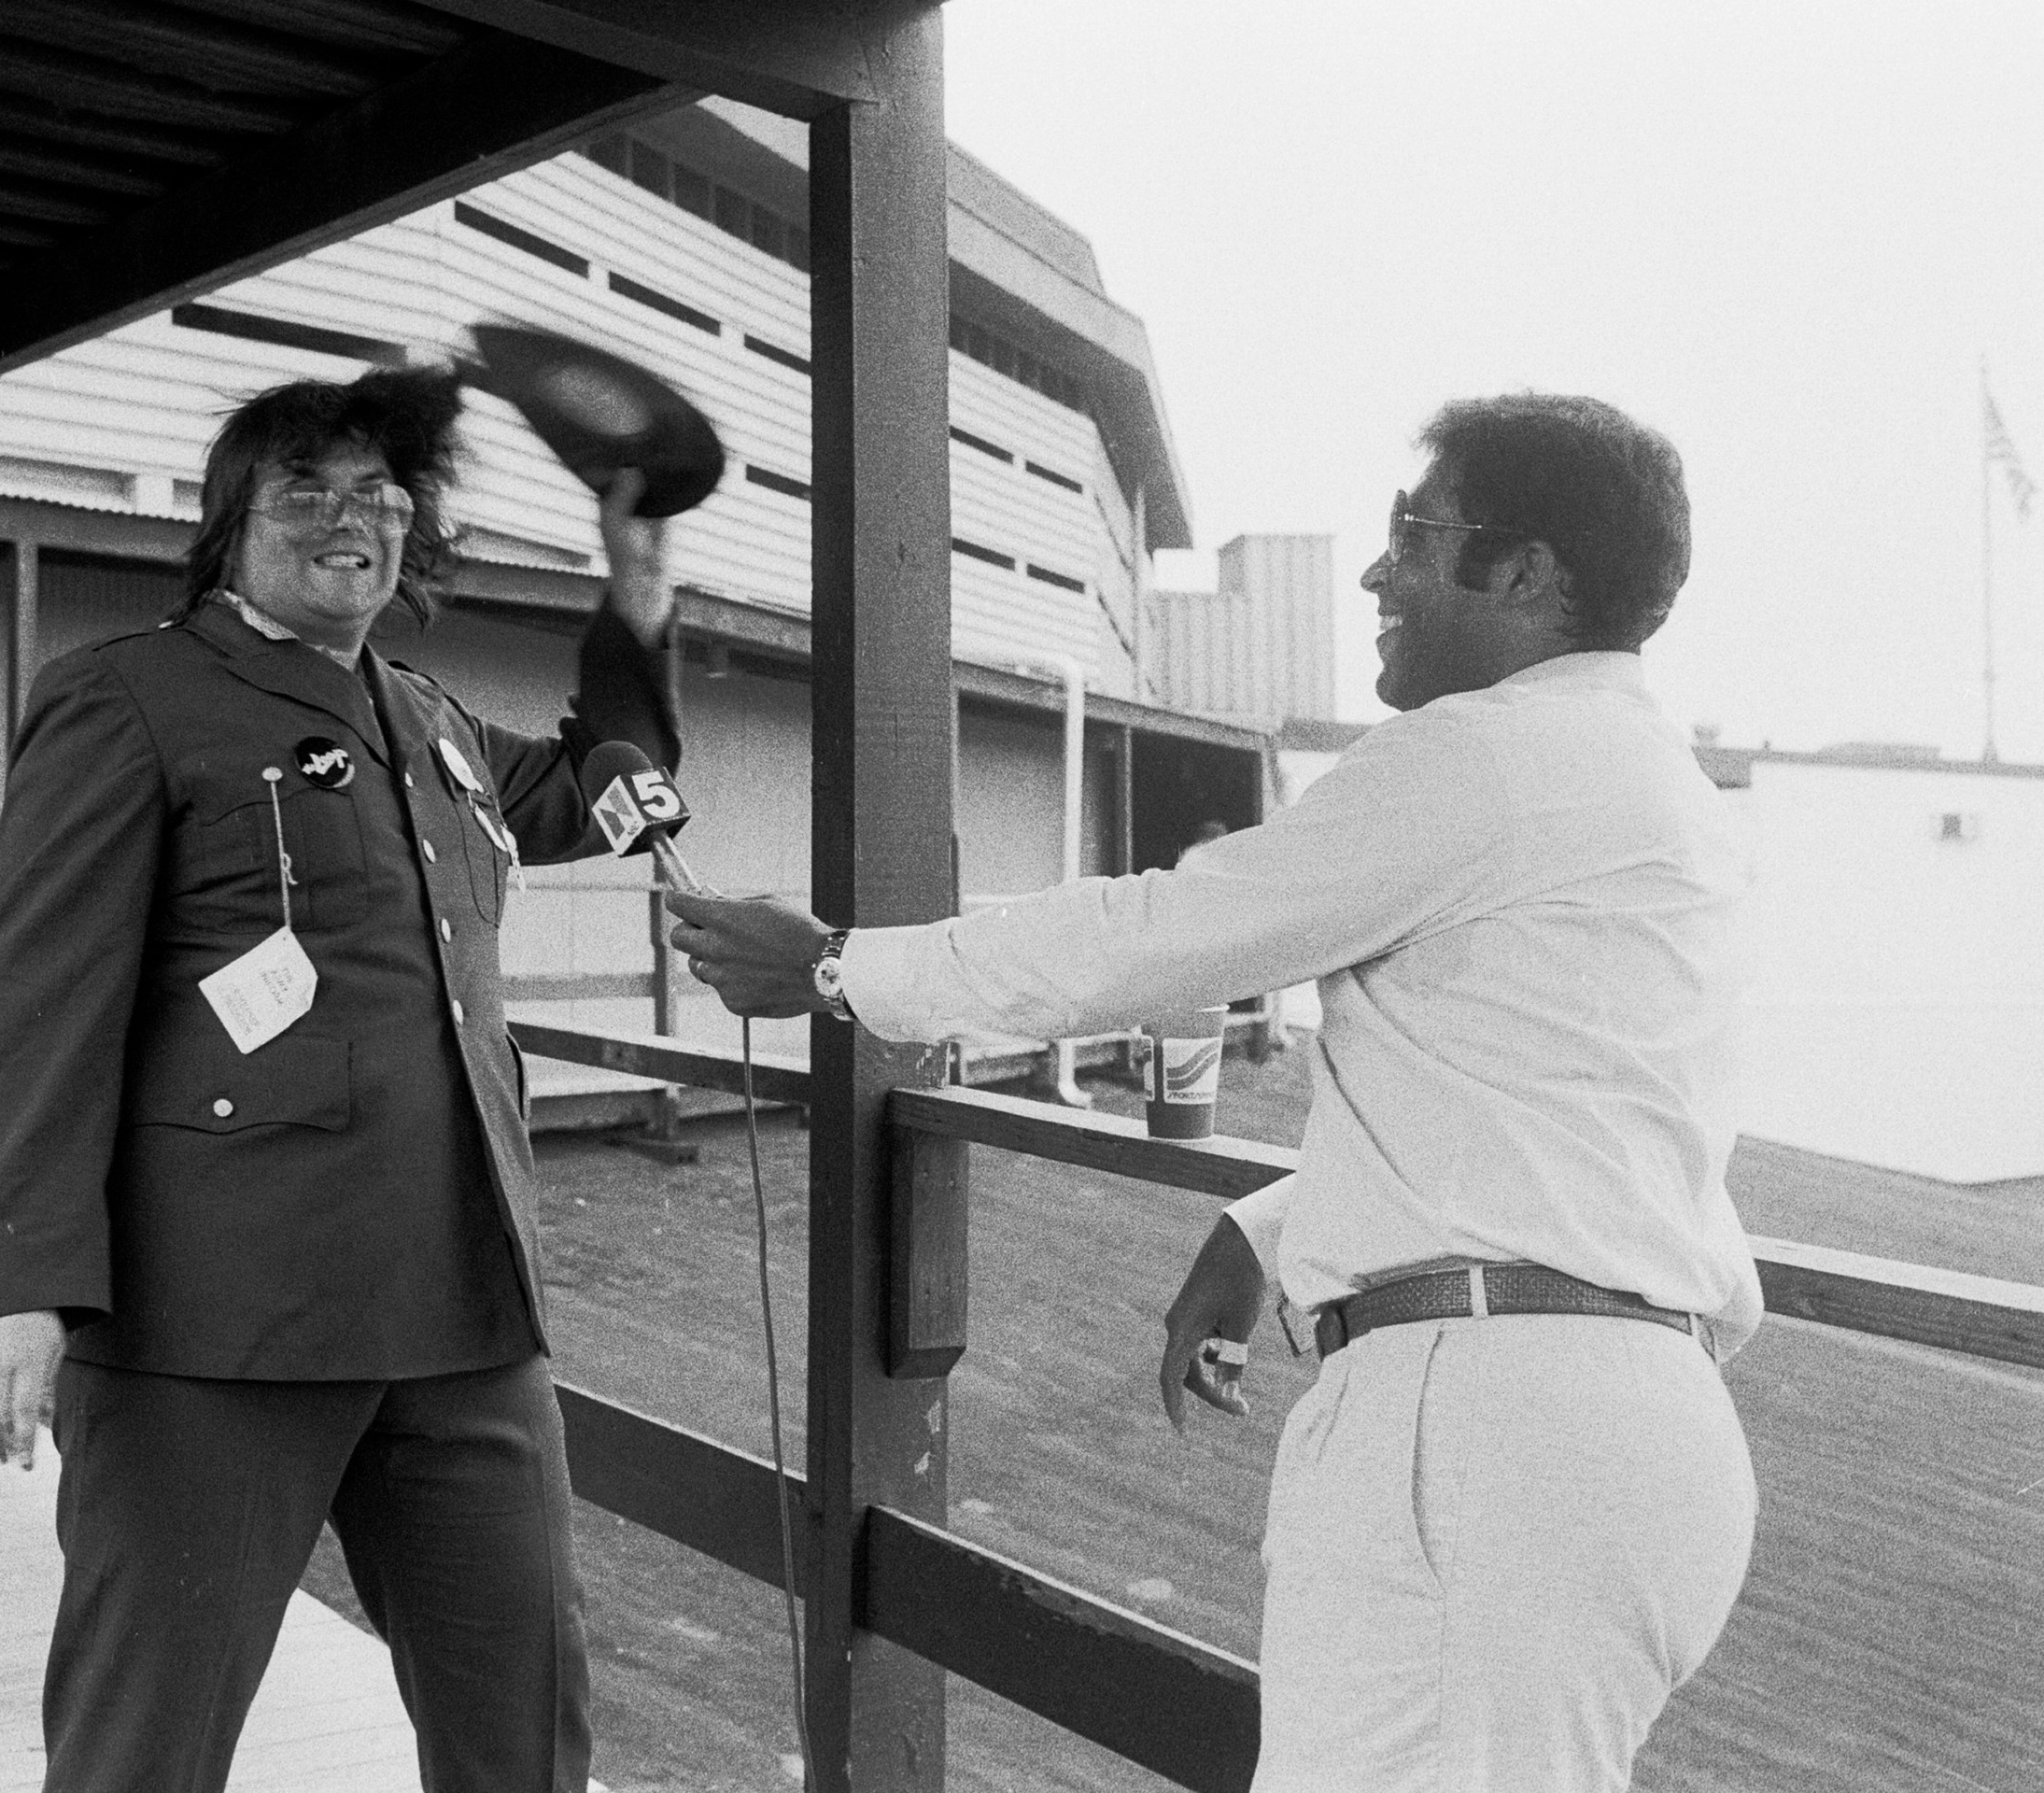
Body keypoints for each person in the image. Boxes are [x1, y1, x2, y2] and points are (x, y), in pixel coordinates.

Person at [666, 394, 1760, 1793]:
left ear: (1529, 572)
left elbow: (1160, 936)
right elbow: (1559, 1115)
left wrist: (833, 968)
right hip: (1629, 1437)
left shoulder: (1483, 755)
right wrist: (1268, 1232)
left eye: (1414, 538)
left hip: (1491, 1440)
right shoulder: (1656, 791)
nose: (1376, 576)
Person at [0, 365, 678, 1793]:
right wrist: (19, 1282)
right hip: (213, 1326)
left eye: (384, 498)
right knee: (142, 1742)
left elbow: (611, 786)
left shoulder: (431, 723)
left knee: (526, 1727)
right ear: (231, 522)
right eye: (310, 488)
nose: (353, 519)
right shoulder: (131, 698)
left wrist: (637, 595)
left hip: (464, 1317)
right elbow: (38, 1004)